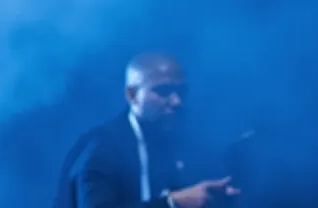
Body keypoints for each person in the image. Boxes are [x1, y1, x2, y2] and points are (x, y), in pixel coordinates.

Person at [53, 53, 241, 208]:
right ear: (132, 95)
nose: (177, 101)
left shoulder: (183, 142)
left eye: (181, 92)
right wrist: (171, 203)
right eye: (163, 91)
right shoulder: (102, 147)